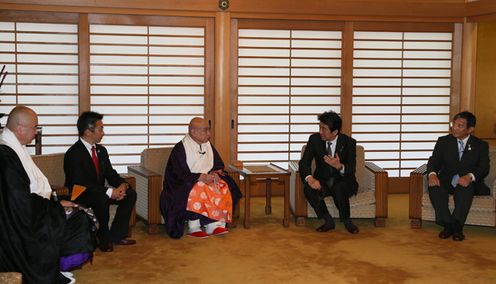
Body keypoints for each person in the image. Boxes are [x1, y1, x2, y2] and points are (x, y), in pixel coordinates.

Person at [0, 106, 94, 284]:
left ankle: (56, 267)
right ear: (20, 129)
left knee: (79, 212)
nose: (36, 132)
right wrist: (56, 207)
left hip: (32, 209)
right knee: (78, 219)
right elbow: (20, 204)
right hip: (21, 222)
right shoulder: (6, 156)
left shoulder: (14, 147)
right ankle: (52, 269)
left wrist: (55, 203)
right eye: (35, 127)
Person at [64, 111, 136, 252]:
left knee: (130, 194)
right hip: (81, 194)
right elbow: (81, 183)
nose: (103, 132)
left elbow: (110, 174)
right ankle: (104, 240)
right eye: (101, 129)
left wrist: (122, 185)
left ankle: (117, 235)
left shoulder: (101, 150)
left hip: (99, 192)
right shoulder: (73, 153)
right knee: (102, 198)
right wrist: (110, 191)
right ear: (88, 131)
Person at [160, 117, 242, 239]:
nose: (209, 134)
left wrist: (214, 173)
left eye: (209, 130)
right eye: (206, 130)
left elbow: (218, 164)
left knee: (222, 185)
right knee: (200, 188)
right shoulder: (181, 148)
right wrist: (200, 177)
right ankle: (194, 226)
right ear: (193, 132)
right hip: (185, 182)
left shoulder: (208, 145)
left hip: (207, 177)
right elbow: (178, 173)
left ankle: (215, 224)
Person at [427, 111, 490, 241]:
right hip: (447, 179)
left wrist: (470, 176)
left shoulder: (481, 145)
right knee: (434, 187)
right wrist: (432, 174)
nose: (454, 128)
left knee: (465, 189)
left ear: (470, 129)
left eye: (460, 126)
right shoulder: (444, 141)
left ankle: (457, 226)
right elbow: (434, 161)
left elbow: (484, 168)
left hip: (468, 182)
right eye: (454, 124)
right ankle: (449, 224)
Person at [299, 110, 360, 234]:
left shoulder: (349, 143)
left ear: (335, 132)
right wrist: (310, 179)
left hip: (344, 182)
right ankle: (328, 221)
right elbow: (304, 162)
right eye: (319, 127)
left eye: (324, 129)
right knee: (308, 188)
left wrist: (339, 166)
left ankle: (347, 221)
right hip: (324, 181)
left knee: (338, 186)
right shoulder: (314, 139)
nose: (320, 131)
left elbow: (351, 169)